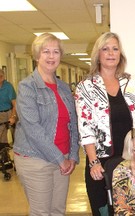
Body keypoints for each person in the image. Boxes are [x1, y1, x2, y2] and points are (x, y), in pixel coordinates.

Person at [75, 32, 135, 216]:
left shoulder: (131, 83)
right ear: (98, 54)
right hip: (101, 164)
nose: (111, 53)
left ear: (120, 54)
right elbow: (85, 128)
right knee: (104, 211)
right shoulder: (86, 87)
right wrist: (93, 162)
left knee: (132, 210)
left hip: (131, 161)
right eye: (105, 49)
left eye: (115, 49)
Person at [13, 33, 79, 216]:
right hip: (35, 159)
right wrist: (60, 159)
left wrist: (72, 156)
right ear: (37, 55)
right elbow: (33, 130)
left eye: (56, 52)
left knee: (58, 210)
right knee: (41, 212)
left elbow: (73, 124)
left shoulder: (64, 88)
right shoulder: (27, 87)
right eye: (46, 52)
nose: (51, 56)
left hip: (64, 158)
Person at [0, 68, 17, 143]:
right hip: (0, 114)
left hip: (9, 112)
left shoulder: (8, 86)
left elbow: (15, 104)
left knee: (15, 134)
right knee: (2, 138)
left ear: (3, 77)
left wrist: (13, 116)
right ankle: (4, 152)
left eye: (0, 76)